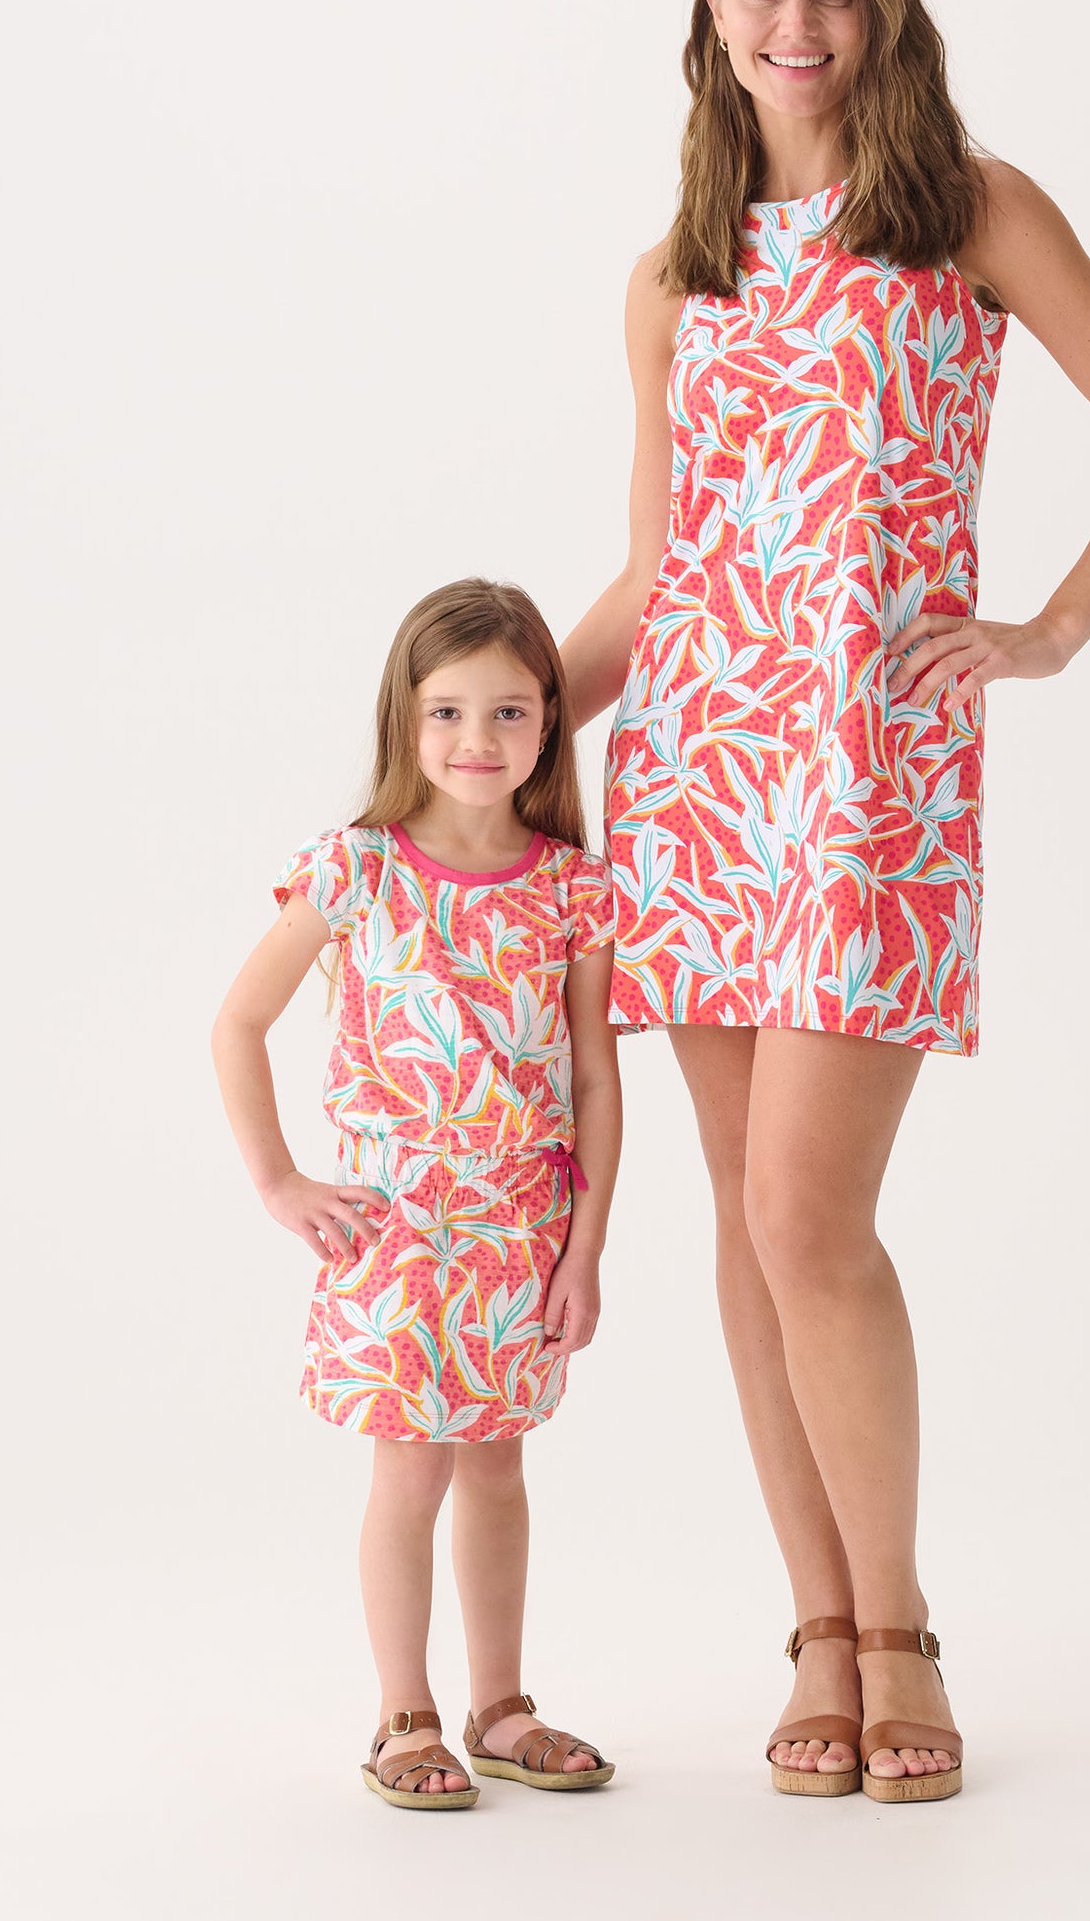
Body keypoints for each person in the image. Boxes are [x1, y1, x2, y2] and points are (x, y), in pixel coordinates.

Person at [561, 0, 1090, 1804]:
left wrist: (1048, 630)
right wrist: (469, 740)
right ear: (706, 13)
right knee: (741, 1223)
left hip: (865, 780)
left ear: (886, 8)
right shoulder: (672, 275)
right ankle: (819, 1628)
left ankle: (901, 1620)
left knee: (805, 1212)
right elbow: (659, 571)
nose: (795, 25)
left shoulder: (968, 213)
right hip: (696, 776)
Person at [212, 578, 622, 1810]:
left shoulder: (572, 888)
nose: (475, 738)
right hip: (393, 1237)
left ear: (547, 720)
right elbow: (237, 1022)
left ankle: (501, 1706)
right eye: (446, 710)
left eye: (507, 710)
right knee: (409, 1474)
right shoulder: (354, 868)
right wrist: (279, 1179)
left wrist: (583, 1248)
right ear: (404, 716)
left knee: (496, 1469)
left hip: (519, 1233)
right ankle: (405, 1711)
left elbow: (594, 1079)